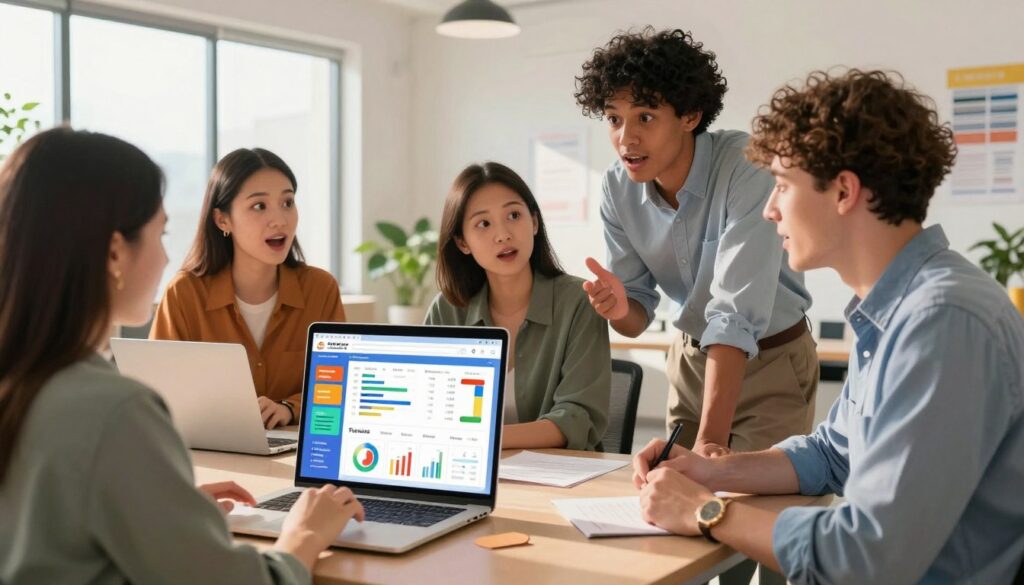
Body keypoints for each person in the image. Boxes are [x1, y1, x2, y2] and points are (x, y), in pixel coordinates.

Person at [633, 69, 1024, 584]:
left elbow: (867, 556)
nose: (770, 211)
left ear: (843, 191)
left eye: (781, 186)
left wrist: (708, 511)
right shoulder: (897, 309)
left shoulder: (941, 321)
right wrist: (710, 471)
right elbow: (828, 454)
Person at [0, 128, 364, 584]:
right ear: (116, 253)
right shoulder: (116, 411)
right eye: (160, 232)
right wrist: (305, 534)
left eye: (288, 201)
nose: (166, 254)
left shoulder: (24, 380)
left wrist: (156, 502)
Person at [574, 27, 817, 461]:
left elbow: (733, 315)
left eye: (645, 117)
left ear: (690, 115)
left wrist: (709, 443)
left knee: (749, 511)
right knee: (671, 509)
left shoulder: (747, 167)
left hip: (771, 363)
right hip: (690, 361)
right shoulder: (617, 188)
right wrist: (618, 308)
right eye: (614, 119)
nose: (626, 138)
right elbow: (636, 317)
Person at [150, 148, 345, 429]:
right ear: (222, 220)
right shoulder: (184, 294)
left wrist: (289, 407)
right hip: (211, 453)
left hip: (293, 453)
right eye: (259, 206)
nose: (280, 219)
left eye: (287, 202)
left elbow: (337, 386)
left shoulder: (320, 288)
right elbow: (161, 394)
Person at [425, 162, 610, 450]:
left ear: (534, 222)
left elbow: (577, 418)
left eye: (514, 215)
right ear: (462, 242)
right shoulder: (447, 309)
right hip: (466, 473)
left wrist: (482, 440)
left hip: (558, 477)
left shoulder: (578, 301)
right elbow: (428, 410)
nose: (503, 235)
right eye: (483, 224)